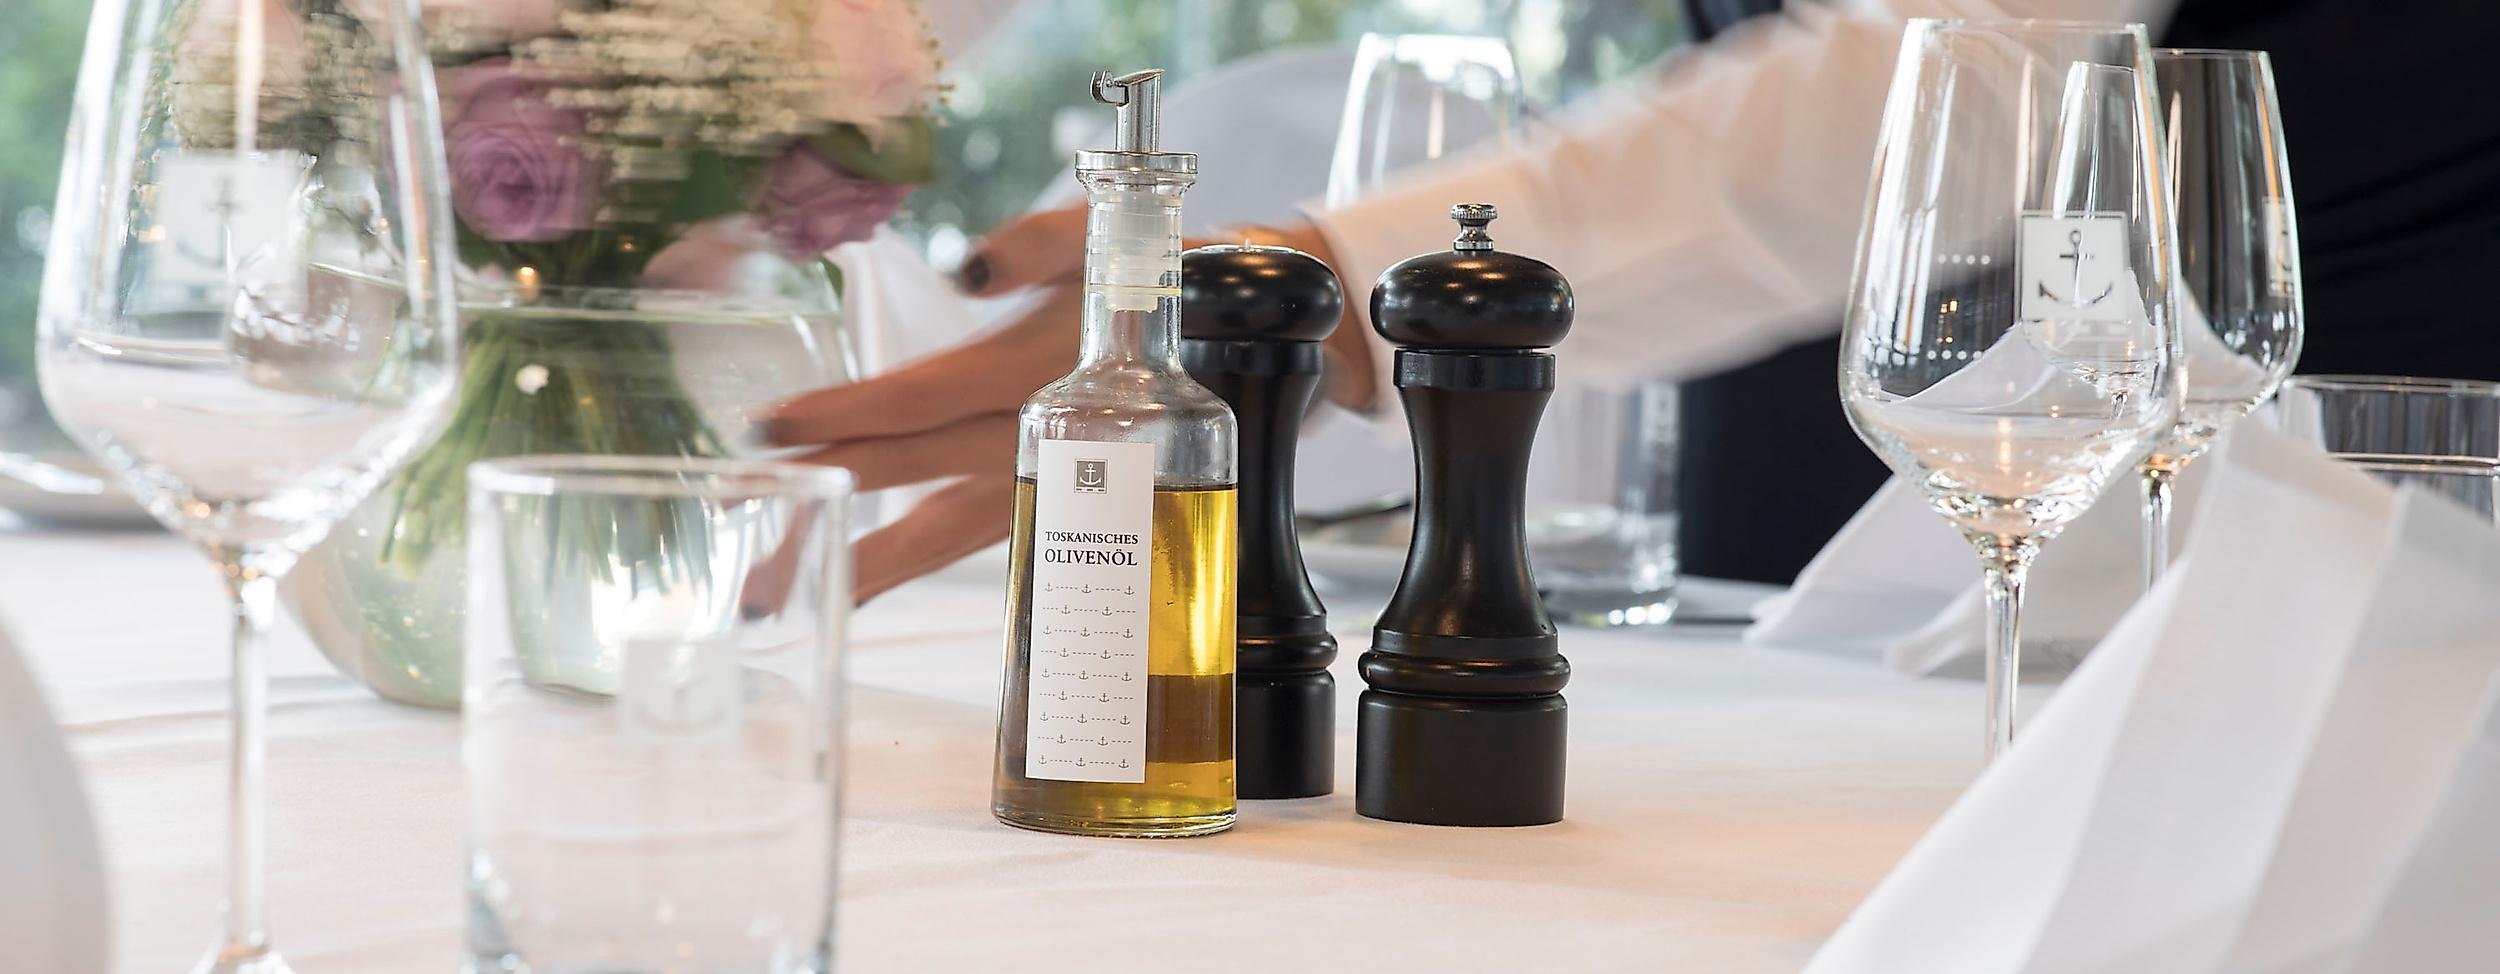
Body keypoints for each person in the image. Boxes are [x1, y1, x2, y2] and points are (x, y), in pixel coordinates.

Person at [771, 0, 2500, 601]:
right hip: (1853, 398)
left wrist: (1349, 288)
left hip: (2357, 427)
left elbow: (1968, 82)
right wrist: (760, 81)